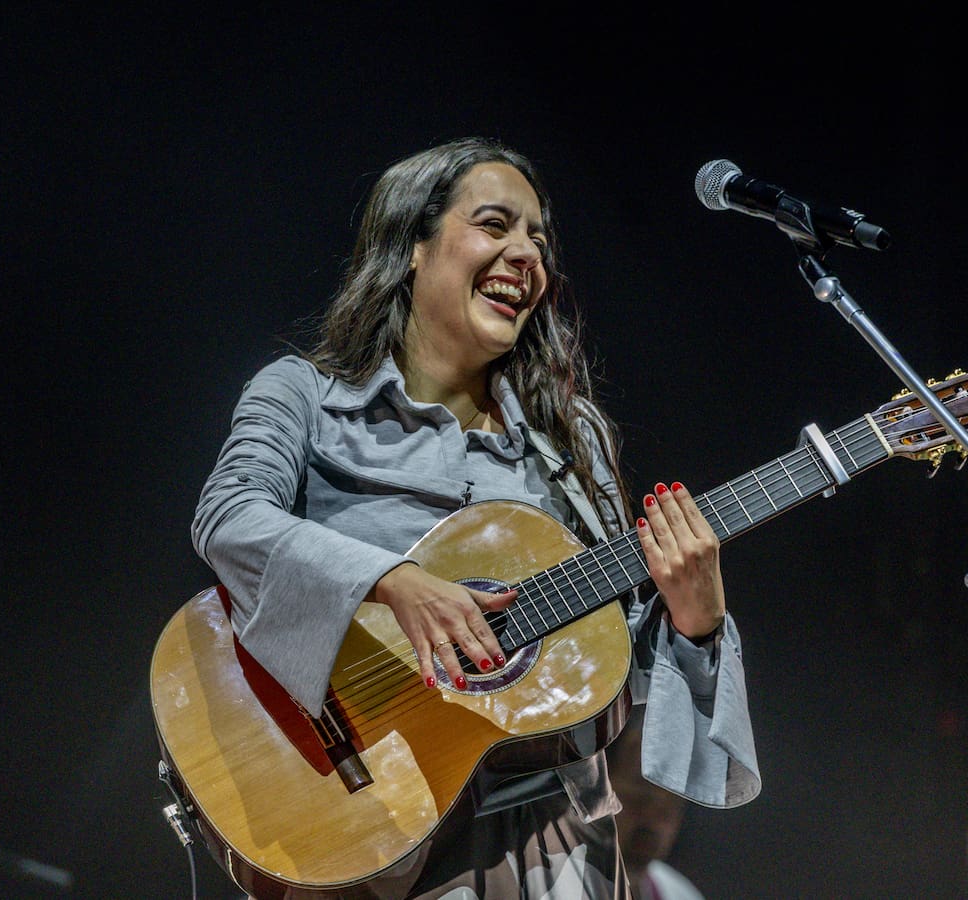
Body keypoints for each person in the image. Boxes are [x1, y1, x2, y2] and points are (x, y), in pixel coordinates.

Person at [192, 136, 760, 899]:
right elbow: (229, 517)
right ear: (413, 247)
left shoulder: (573, 437)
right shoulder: (303, 396)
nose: (527, 254)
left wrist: (696, 623)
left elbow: (602, 669)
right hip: (360, 819)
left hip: (549, 851)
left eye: (538, 239)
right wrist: (393, 582)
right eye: (496, 225)